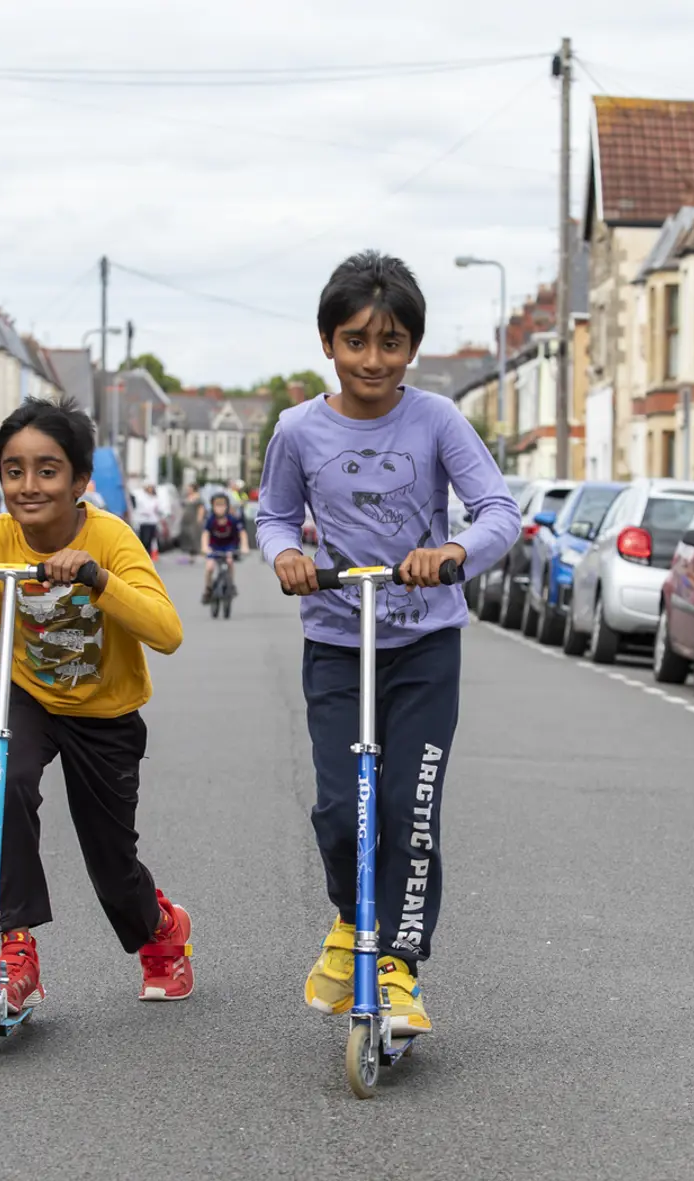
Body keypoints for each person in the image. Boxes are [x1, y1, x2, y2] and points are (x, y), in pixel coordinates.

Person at [256, 250, 520, 1035]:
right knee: (343, 810)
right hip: (338, 643)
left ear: (413, 348)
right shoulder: (297, 430)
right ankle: (350, 921)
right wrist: (287, 556)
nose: (373, 360)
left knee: (409, 808)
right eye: (356, 341)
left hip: (424, 648)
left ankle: (399, 968)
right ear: (327, 343)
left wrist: (454, 553)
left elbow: (499, 511)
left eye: (392, 343)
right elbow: (274, 517)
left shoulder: (436, 420)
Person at [0, 397, 194, 1013]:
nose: (28, 486)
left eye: (48, 471)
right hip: (25, 694)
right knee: (9, 790)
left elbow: (167, 631)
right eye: (13, 471)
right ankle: (15, 946)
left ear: (79, 481)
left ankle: (160, 928)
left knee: (111, 863)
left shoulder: (110, 537)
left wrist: (97, 578)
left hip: (104, 712)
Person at [200, 491, 248, 603]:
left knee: (230, 562)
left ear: (227, 506)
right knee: (209, 567)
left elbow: (242, 533)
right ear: (212, 506)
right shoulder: (211, 520)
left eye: (222, 505)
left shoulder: (232, 519)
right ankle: (208, 589)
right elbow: (205, 534)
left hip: (229, 546)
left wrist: (244, 546)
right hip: (214, 546)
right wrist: (204, 547)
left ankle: (231, 584)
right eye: (217, 505)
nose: (220, 508)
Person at [131, 484, 162, 559]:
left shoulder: (155, 498)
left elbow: (158, 508)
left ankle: (148, 555)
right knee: (145, 539)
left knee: (151, 540)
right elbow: (139, 508)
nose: (150, 490)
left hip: (153, 521)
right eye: (149, 488)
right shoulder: (142, 497)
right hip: (144, 522)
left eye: (152, 488)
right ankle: (143, 555)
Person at [178, 483, 205, 562]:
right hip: (186, 520)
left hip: (194, 519)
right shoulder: (187, 497)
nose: (188, 490)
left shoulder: (198, 498)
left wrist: (199, 519)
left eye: (190, 488)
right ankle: (188, 552)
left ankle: (195, 552)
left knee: (193, 536)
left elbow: (201, 509)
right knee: (186, 536)